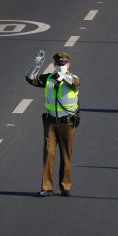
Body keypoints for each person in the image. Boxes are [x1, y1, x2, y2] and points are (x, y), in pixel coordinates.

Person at [25, 51, 80, 197]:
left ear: (68, 64)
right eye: (58, 64)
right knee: (48, 153)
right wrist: (36, 65)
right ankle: (47, 187)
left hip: (67, 123)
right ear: (54, 65)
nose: (61, 66)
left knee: (65, 155)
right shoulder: (49, 78)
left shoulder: (73, 78)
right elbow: (30, 79)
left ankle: (65, 186)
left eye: (63, 64)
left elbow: (74, 84)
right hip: (50, 122)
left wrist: (63, 77)